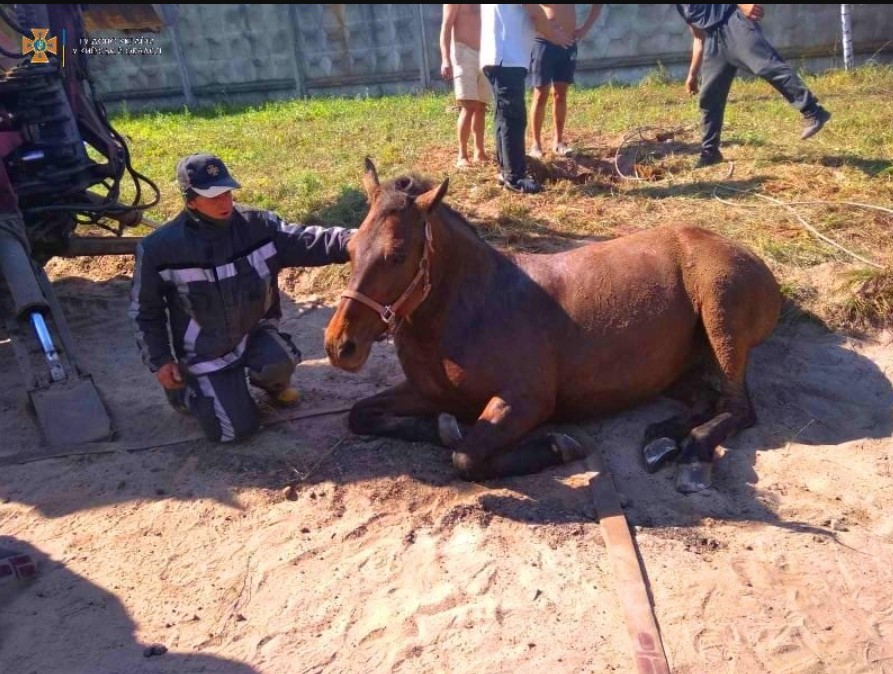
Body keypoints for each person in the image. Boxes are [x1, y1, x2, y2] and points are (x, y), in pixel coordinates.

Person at [129, 153, 353, 443]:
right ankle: (185, 391)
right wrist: (160, 360)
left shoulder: (259, 225)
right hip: (205, 354)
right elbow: (144, 312)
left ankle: (267, 383)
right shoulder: (159, 249)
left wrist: (355, 240)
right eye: (213, 197)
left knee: (282, 359)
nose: (225, 203)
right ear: (191, 199)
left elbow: (307, 240)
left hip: (251, 335)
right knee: (236, 431)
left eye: (227, 192)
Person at [677, 3, 832, 168]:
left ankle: (813, 111)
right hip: (713, 42)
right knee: (709, 96)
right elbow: (698, 38)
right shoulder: (682, 7)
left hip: (733, 24)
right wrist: (692, 75)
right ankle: (710, 152)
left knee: (767, 66)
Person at [480, 4, 572, 194]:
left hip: (497, 56)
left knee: (503, 117)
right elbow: (535, 12)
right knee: (513, 119)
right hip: (508, 57)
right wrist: (552, 33)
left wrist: (547, 25)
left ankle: (506, 171)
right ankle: (516, 177)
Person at [528, 4, 601, 159]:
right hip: (544, 43)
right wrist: (548, 30)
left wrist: (585, 28)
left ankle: (559, 141)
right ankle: (536, 145)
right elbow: (529, 11)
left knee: (560, 94)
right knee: (540, 94)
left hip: (567, 44)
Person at [440, 4, 490, 168]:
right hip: (463, 54)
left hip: (486, 54)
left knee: (482, 105)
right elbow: (446, 26)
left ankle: (479, 151)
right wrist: (445, 59)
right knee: (468, 105)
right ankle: (462, 155)